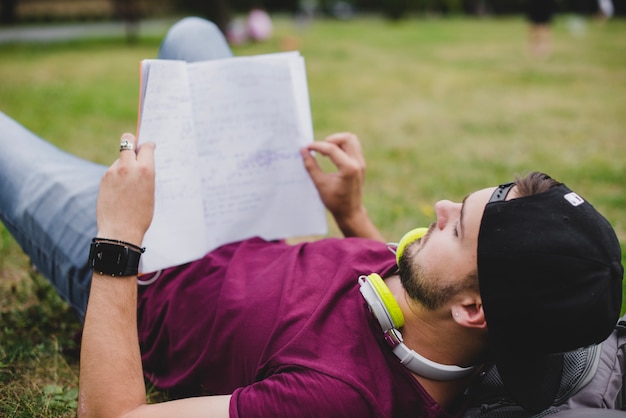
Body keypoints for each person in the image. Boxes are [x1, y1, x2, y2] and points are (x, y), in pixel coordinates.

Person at [0, 17, 623, 418]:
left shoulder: (340, 398)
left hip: (150, 275)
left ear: (474, 311)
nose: (438, 210)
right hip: (233, 220)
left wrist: (118, 237)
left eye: (454, 226)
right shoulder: (449, 321)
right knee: (193, 33)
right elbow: (406, 297)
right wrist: (351, 214)